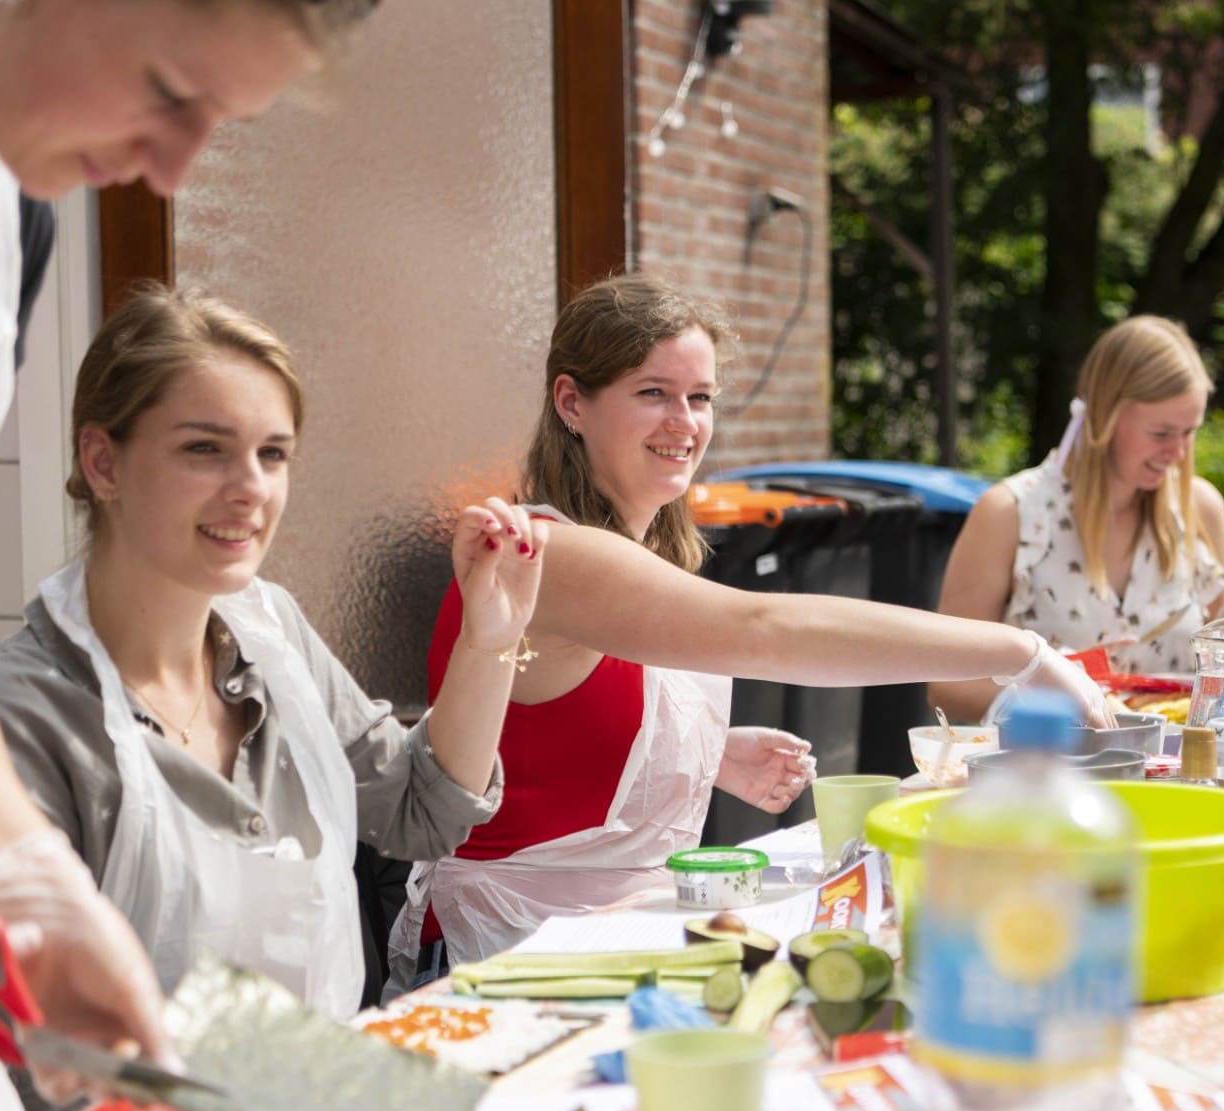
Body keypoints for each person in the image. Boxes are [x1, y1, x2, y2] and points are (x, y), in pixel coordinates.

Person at [400, 273, 1114, 969]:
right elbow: (766, 627)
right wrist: (1021, 652)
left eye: (700, 397)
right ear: (572, 402)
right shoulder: (548, 551)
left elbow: (547, 732)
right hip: (499, 953)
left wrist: (706, 751)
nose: (684, 421)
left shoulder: (635, 553)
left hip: (602, 936)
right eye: (653, 393)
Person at [0, 0, 378, 1070]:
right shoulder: (42, 707)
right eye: (169, 90)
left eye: (273, 453)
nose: (177, 168)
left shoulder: (9, 234)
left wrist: (26, 884)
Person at [0, 286, 541, 1019]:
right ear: (103, 463)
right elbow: (47, 1041)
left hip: (316, 1106)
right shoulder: (13, 716)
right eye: (204, 449)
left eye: (272, 453)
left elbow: (417, 811)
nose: (250, 488)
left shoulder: (271, 634)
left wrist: (489, 640)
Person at [930, 316, 1224, 723]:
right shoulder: (1009, 514)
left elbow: (1222, 678)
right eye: (1162, 433)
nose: (1179, 453)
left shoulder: (1200, 508)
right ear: (1105, 418)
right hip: (1054, 770)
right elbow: (947, 684)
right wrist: (1054, 691)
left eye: (1190, 432)